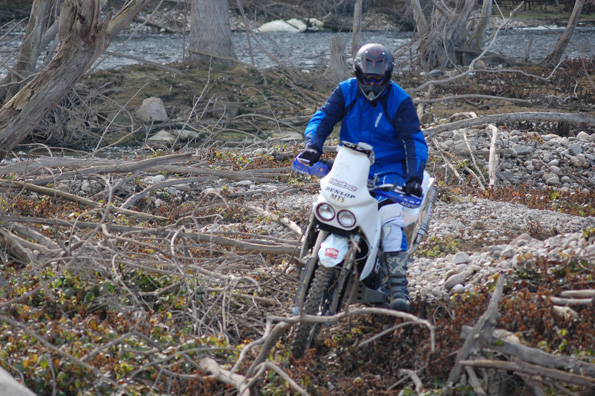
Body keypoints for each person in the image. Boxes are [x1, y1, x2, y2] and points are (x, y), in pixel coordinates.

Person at [299, 43, 428, 312]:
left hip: (388, 168)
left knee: (390, 216)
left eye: (377, 77)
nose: (371, 81)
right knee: (324, 204)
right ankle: (309, 256)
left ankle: (397, 285)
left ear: (387, 74)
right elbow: (324, 117)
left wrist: (413, 176)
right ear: (357, 71)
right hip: (350, 164)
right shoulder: (346, 90)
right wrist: (313, 145)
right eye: (366, 75)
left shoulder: (399, 100)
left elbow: (413, 140)